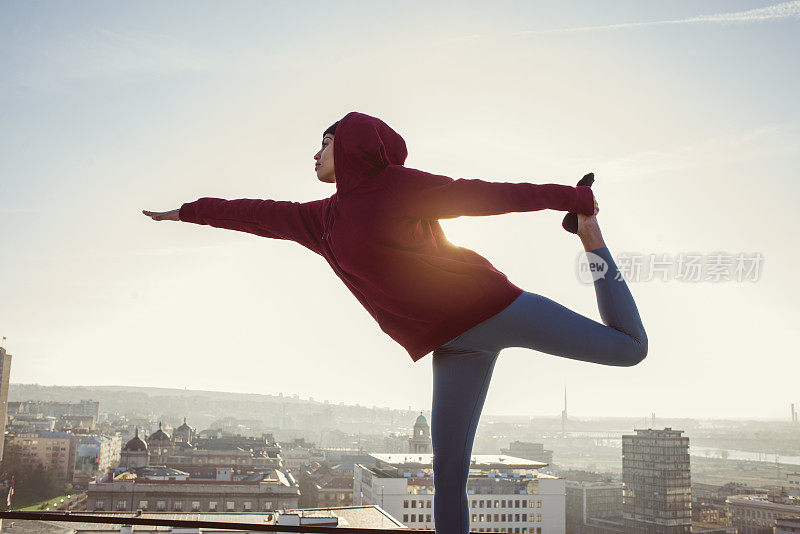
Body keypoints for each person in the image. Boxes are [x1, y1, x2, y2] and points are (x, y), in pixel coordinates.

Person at [143, 111, 647, 534]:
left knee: (629, 348)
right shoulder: (321, 220)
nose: (314, 155)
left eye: (324, 143)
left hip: (493, 307)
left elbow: (482, 194)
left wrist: (572, 200)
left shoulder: (396, 186)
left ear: (353, 144)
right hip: (450, 344)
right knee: (448, 475)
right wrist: (187, 212)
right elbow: (254, 213)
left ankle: (591, 239)